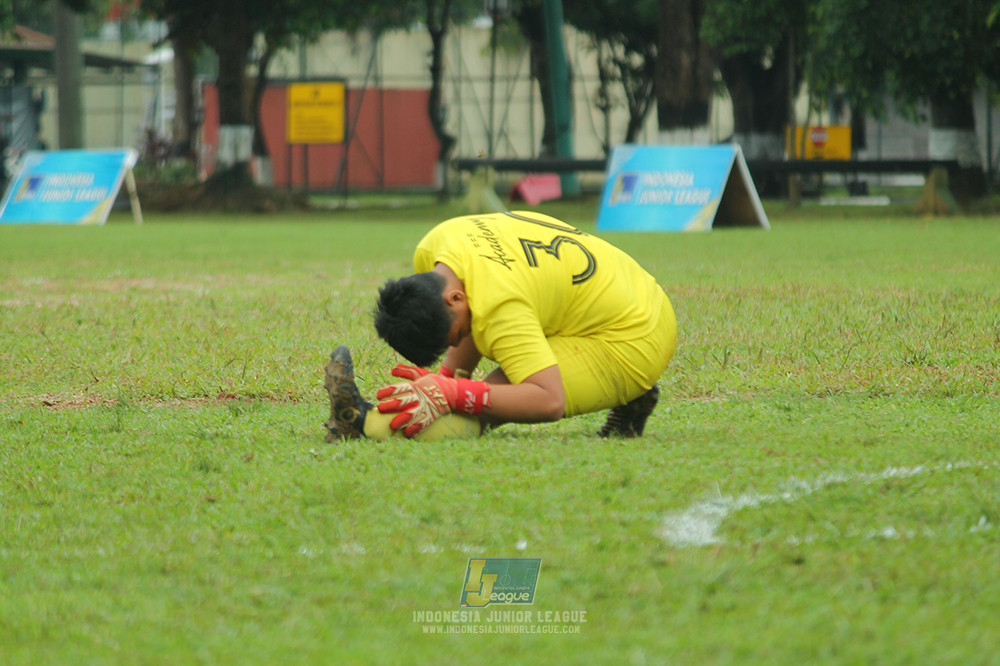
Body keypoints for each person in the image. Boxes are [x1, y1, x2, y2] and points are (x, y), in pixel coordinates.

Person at [323, 210, 676, 442]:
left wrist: (454, 392)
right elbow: (474, 301)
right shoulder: (437, 245)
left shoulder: (500, 305)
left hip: (634, 335)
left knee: (486, 405)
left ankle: (360, 423)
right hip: (629, 287)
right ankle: (629, 399)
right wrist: (448, 379)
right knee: (470, 393)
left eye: (456, 336)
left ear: (455, 299)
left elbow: (549, 399)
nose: (458, 343)